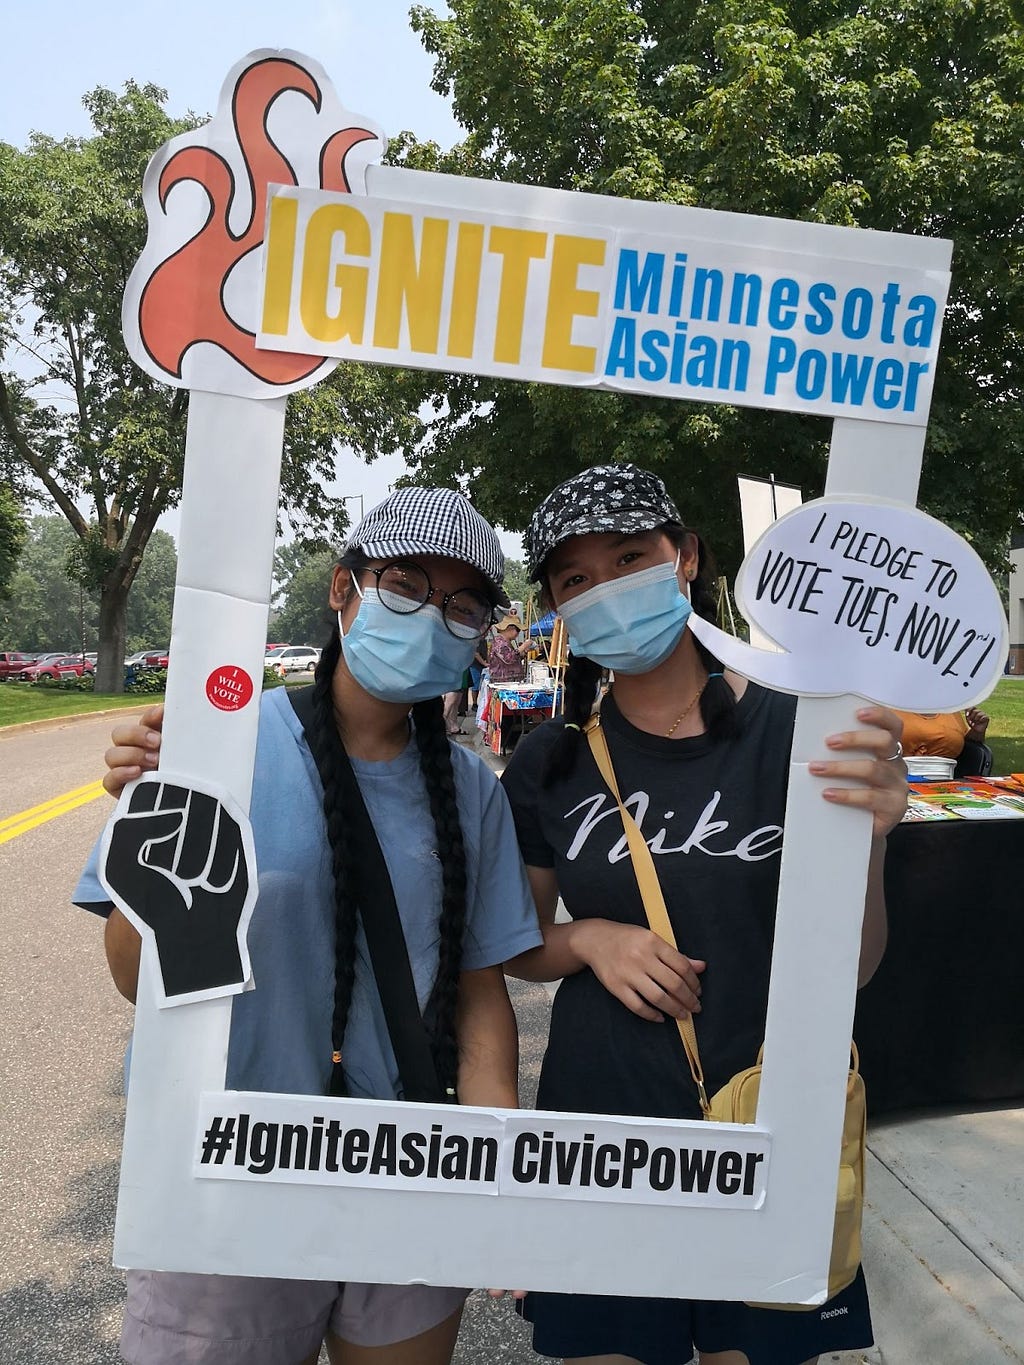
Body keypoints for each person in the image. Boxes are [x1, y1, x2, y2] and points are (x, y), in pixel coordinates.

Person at [83, 487, 543, 1365]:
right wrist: (154, 821)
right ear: (343, 590)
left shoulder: (474, 794)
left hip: (403, 1167)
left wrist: (499, 1170)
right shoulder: (215, 747)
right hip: (225, 1175)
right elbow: (134, 979)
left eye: (462, 605)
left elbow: (481, 997)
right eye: (405, 585)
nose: (432, 619)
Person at [501, 464, 908, 1365]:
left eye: (630, 556)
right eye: (575, 579)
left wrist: (874, 836)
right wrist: (589, 938)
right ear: (557, 608)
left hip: (772, 1132)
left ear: (684, 556)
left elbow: (857, 965)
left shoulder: (808, 734)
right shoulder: (548, 765)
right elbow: (517, 946)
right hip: (604, 1142)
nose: (605, 588)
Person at [893, 706, 989, 759]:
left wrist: (977, 731)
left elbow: (967, 748)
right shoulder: (885, 704)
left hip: (946, 783)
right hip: (894, 781)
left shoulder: (949, 708)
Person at [487, 615, 531, 684]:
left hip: (510, 682)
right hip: (503, 683)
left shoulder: (506, 642)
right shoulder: (499, 642)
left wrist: (524, 651)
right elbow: (508, 659)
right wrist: (523, 646)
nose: (518, 633)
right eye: (518, 630)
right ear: (509, 628)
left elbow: (514, 659)